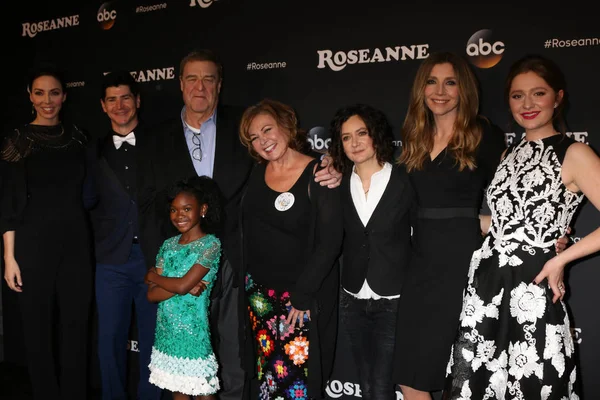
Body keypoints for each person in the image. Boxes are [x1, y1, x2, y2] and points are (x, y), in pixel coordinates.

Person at [137, 49, 341, 400]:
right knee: (189, 357)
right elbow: (150, 205)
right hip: (190, 268)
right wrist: (157, 268)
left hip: (238, 262)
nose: (200, 87)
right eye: (192, 78)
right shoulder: (156, 138)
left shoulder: (242, 125)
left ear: (219, 85)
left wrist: (333, 164)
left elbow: (300, 177)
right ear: (180, 84)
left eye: (209, 79)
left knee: (238, 356)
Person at [444, 54, 600, 399]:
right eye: (517, 96)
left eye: (538, 93)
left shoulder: (574, 153)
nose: (527, 104)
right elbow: (501, 222)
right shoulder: (507, 154)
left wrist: (561, 258)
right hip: (485, 287)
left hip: (533, 286)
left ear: (558, 98)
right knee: (477, 386)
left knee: (535, 383)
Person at [391, 52, 508, 400]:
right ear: (420, 88)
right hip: (418, 262)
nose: (439, 91)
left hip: (462, 262)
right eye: (431, 81)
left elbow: (510, 193)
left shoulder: (483, 134)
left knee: (458, 377)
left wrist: (496, 223)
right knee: (410, 375)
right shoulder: (414, 135)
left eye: (450, 82)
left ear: (464, 89)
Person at [238, 98, 343, 399]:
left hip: (298, 303)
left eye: (267, 130)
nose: (263, 141)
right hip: (259, 299)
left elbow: (330, 242)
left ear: (286, 125)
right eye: (254, 138)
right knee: (268, 382)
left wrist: (302, 296)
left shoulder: (319, 173)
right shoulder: (255, 172)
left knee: (297, 385)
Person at [1, 63, 93, 399]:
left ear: (64, 96)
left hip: (76, 245)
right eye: (39, 93)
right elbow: (9, 203)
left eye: (54, 92)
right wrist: (9, 258)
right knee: (37, 331)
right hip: (33, 246)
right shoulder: (18, 140)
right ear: (30, 96)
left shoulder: (79, 137)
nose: (47, 100)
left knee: (75, 328)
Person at [328, 103, 415, 399]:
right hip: (352, 297)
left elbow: (424, 234)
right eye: (346, 137)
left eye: (361, 133)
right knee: (366, 384)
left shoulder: (404, 180)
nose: (355, 143)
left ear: (375, 135)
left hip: (393, 299)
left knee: (381, 387)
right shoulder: (338, 184)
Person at [87, 70, 161, 400]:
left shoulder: (162, 144)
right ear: (103, 106)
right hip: (110, 261)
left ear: (138, 101)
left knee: (153, 342)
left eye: (126, 97)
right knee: (109, 342)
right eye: (112, 99)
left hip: (152, 260)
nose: (120, 105)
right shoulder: (92, 151)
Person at [146, 175, 223, 399]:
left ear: (203, 209)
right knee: (177, 392)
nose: (179, 215)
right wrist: (184, 285)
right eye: (173, 210)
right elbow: (151, 295)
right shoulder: (167, 245)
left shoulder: (211, 244)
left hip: (194, 335)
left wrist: (153, 276)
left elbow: (177, 286)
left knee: (204, 392)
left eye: (187, 209)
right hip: (167, 332)